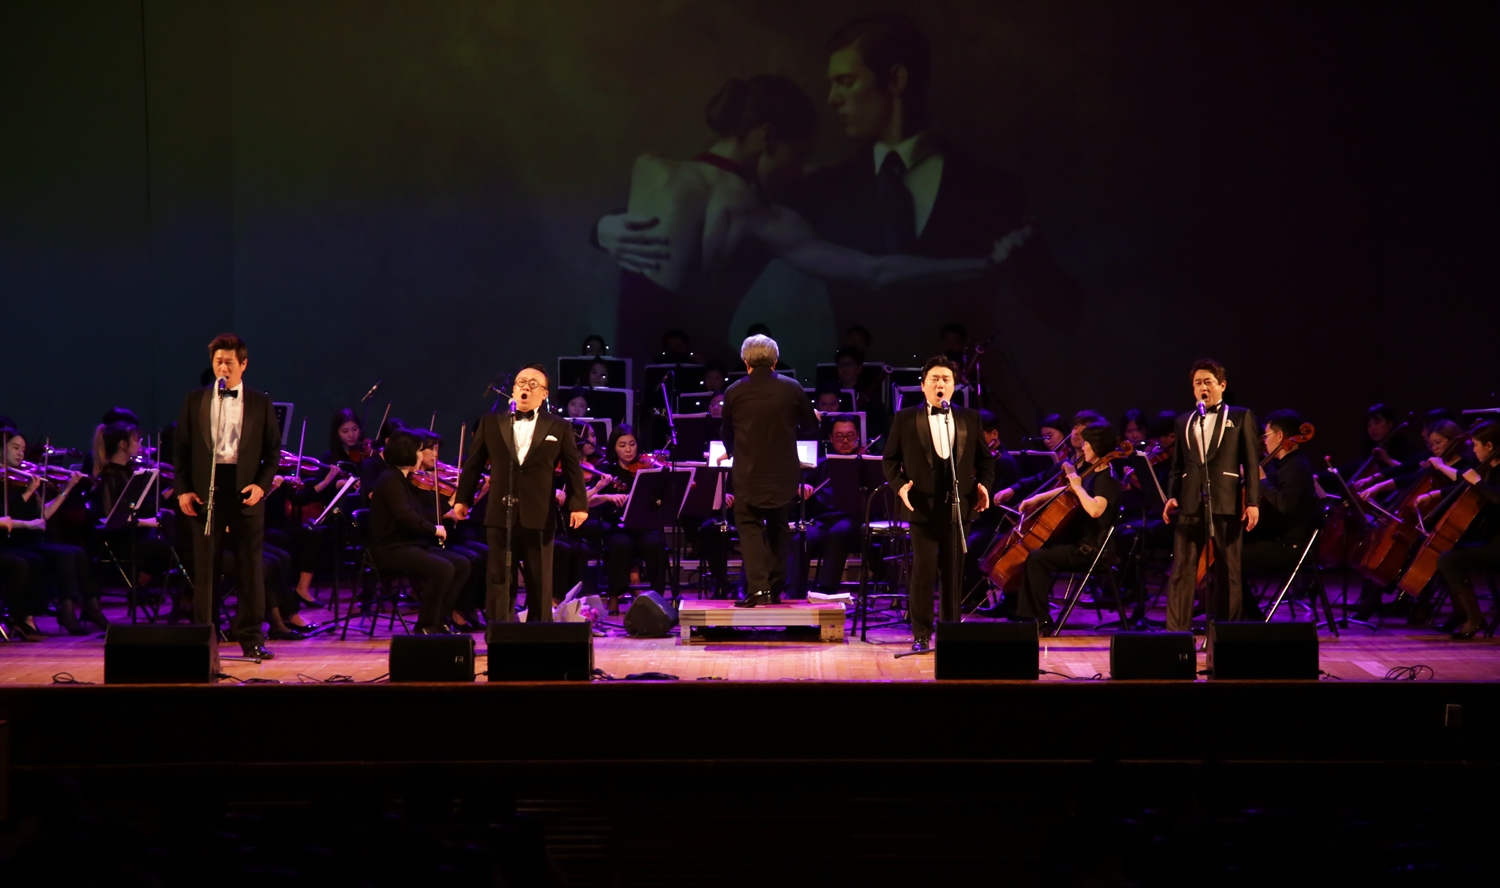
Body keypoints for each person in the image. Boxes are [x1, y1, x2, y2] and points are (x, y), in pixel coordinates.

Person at [597, 74, 1030, 367]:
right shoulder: (764, 218)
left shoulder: (650, 170)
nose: (798, 172)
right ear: (768, 137)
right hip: (701, 379)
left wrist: (601, 229)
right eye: (798, 156)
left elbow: (648, 282)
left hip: (630, 380)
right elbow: (875, 271)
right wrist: (984, 263)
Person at [454, 364, 588, 630]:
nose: (526, 387)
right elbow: (474, 464)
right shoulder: (491, 423)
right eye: (521, 382)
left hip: (539, 512)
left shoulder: (559, 426)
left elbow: (573, 468)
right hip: (500, 511)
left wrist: (578, 504)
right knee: (499, 577)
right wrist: (463, 499)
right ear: (514, 390)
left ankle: (539, 634)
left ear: (544, 393)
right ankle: (501, 634)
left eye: (533, 384)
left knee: (540, 579)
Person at [173, 334, 282, 660]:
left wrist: (261, 485)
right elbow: (180, 449)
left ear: (243, 364)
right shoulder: (194, 400)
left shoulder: (261, 402)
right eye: (218, 361)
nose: (223, 367)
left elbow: (273, 451)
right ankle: (205, 641)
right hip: (206, 488)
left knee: (251, 568)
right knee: (207, 568)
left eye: (229, 362)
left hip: (245, 488)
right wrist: (183, 489)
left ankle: (251, 638)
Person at [882, 356, 995, 650]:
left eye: (946, 379)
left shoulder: (970, 417)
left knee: (953, 571)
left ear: (954, 386)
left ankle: (950, 632)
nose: (940, 384)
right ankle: (921, 633)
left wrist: (984, 486)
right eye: (934, 379)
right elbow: (889, 460)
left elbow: (986, 460)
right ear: (923, 385)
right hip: (921, 505)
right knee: (923, 570)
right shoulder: (906, 418)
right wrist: (900, 487)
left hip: (959, 506)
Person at [720, 335, 820, 607]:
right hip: (782, 474)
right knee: (778, 528)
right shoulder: (792, 388)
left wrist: (733, 451)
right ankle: (775, 589)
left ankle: (758, 589)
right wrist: (810, 418)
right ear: (775, 361)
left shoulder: (734, 391)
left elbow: (727, 434)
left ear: (746, 361)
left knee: (749, 528)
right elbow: (810, 427)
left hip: (747, 473)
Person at [1161, 359, 1261, 632]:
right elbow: (1177, 465)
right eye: (1198, 383)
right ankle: (1176, 636)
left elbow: (1252, 464)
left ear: (1222, 385)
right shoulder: (1184, 421)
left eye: (1208, 382)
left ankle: (1227, 635)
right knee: (1182, 571)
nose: (1203, 387)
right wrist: (1171, 496)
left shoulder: (1240, 417)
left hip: (1227, 501)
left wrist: (1252, 502)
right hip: (1190, 502)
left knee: (1228, 571)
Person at [1012, 422, 1122, 634]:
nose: (1083, 446)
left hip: (1092, 550)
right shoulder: (1093, 472)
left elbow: (1095, 510)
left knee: (1037, 558)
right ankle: (1025, 616)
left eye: (1086, 442)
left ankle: (1039, 621)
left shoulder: (1107, 479)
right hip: (1078, 543)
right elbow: (1069, 489)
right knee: (1035, 551)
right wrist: (1036, 498)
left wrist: (1078, 487)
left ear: (1097, 446)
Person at [365, 430, 469, 634]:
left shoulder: (404, 479)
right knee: (443, 569)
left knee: (462, 564)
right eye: (420, 451)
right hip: (391, 548)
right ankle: (425, 625)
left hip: (410, 544)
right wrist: (434, 530)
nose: (422, 456)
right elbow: (405, 516)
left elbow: (419, 513)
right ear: (407, 453)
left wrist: (446, 510)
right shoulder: (390, 479)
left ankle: (441, 620)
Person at [1, 430, 97, 635]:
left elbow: (42, 515)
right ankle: (42, 615)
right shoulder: (6, 482)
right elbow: (8, 514)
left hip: (32, 537)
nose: (20, 454)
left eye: (23, 450)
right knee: (55, 557)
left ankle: (91, 607)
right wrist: (28, 493)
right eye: (15, 448)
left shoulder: (22, 478)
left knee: (78, 552)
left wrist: (66, 489)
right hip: (14, 540)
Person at [1241, 410, 1319, 617]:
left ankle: (1251, 618)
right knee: (1227, 551)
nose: (1264, 441)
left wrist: (1262, 481)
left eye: (1266, 435)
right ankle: (1240, 616)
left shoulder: (1297, 466)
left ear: (1280, 436)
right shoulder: (1280, 465)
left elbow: (1285, 505)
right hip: (1275, 536)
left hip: (1289, 545)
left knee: (1230, 560)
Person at [1434, 421, 1500, 640]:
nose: (1473, 450)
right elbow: (1465, 484)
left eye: (1475, 445)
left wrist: (1478, 482)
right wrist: (1434, 495)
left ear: (1489, 445)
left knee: (1448, 559)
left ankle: (1474, 618)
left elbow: (1496, 497)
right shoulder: (1490, 467)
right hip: (1490, 538)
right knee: (1440, 550)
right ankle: (1462, 612)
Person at [595, 425, 667, 613]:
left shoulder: (648, 469)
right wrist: (607, 496)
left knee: (655, 543)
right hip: (618, 527)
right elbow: (590, 499)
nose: (628, 450)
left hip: (645, 526)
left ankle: (657, 596)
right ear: (614, 447)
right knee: (620, 545)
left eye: (632, 444)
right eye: (622, 445)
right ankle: (614, 594)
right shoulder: (606, 471)